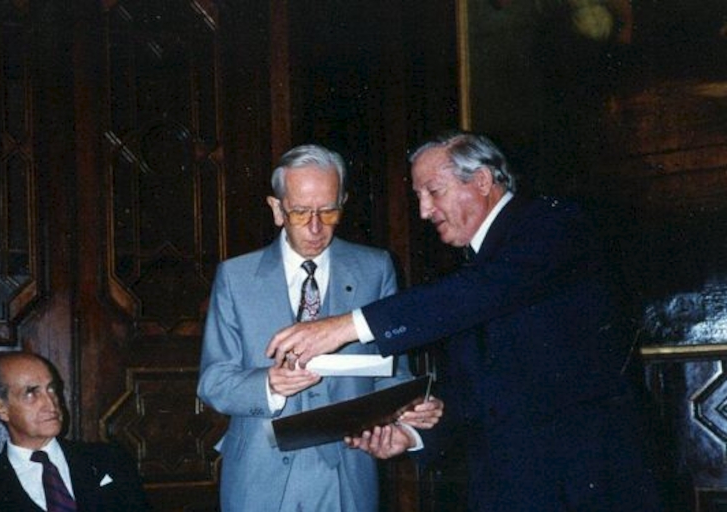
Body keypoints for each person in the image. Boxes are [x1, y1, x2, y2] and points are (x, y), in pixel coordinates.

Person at [266, 131, 664, 511]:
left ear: (483, 180)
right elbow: (483, 394)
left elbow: (481, 293)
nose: (423, 211)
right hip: (513, 488)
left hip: (584, 487)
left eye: (433, 192)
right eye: (418, 196)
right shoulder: (476, 268)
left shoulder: (552, 224)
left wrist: (343, 327)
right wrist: (413, 434)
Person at [197, 144, 443, 512]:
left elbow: (392, 372)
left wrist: (407, 411)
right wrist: (269, 385)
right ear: (277, 209)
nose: (315, 227)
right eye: (300, 212)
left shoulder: (375, 270)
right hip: (258, 477)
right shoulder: (236, 277)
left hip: (347, 472)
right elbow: (213, 382)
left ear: (343, 201)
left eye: (328, 211)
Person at [0, 352, 151, 512]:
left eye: (52, 389)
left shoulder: (110, 460)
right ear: (0, 408)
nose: (51, 403)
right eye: (31, 393)